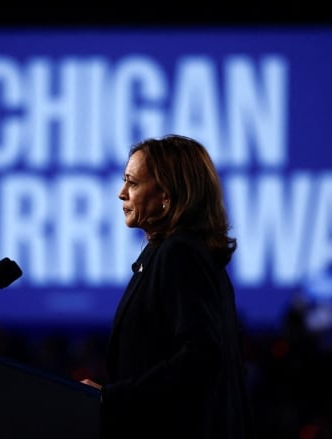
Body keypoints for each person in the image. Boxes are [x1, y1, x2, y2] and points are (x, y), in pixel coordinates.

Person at [80, 134, 256, 438]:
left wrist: (113, 397)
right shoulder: (172, 251)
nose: (121, 193)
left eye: (133, 183)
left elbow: (201, 354)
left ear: (167, 195)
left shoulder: (180, 253)